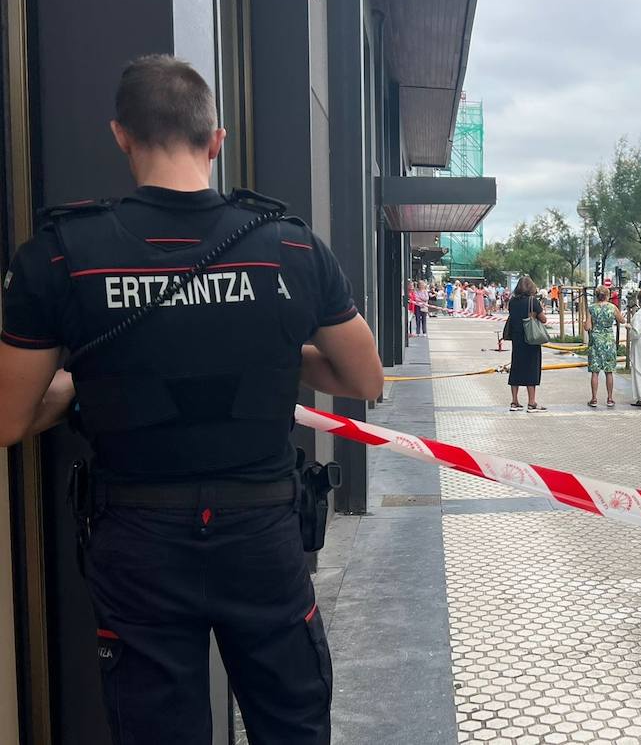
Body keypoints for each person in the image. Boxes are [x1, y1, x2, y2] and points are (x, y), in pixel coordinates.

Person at [0, 54, 383, 743]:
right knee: (292, 725)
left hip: (138, 539)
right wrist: (268, 352)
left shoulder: (60, 254)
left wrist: (80, 386)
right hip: (262, 533)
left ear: (121, 136)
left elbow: (9, 417)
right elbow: (366, 379)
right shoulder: (287, 247)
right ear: (217, 140)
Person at [506, 276, 548, 411]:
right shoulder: (533, 301)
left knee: (516, 368)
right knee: (531, 368)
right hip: (531, 339)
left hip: (517, 339)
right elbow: (543, 319)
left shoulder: (512, 301)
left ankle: (514, 401)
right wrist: (538, 311)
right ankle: (531, 402)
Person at [583, 285, 624, 407]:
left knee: (595, 371)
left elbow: (588, 327)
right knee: (609, 370)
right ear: (608, 295)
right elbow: (621, 320)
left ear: (596, 295)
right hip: (608, 340)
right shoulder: (612, 307)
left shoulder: (591, 308)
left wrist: (587, 324)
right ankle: (610, 398)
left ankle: (594, 399)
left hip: (595, 340)